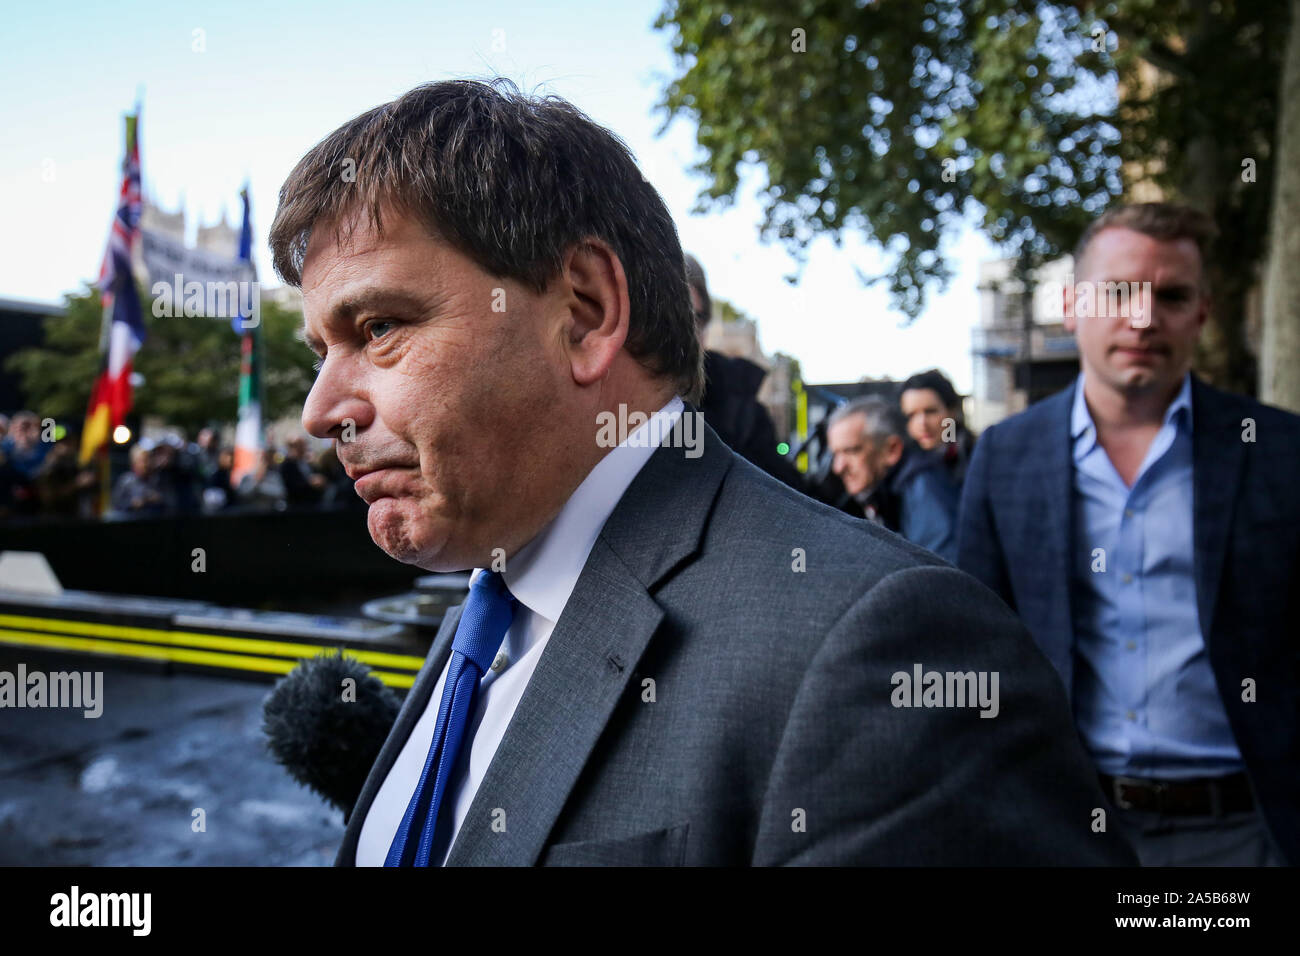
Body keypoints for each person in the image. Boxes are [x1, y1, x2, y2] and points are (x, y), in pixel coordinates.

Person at [271, 78, 1133, 867]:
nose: (321, 409)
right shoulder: (489, 613)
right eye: (322, 352)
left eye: (379, 327)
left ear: (585, 311)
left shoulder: (876, 648)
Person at [957, 201, 1299, 866]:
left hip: (1249, 832)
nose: (1142, 318)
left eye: (1171, 295)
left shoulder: (1280, 452)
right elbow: (977, 648)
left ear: (1202, 311)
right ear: (1071, 304)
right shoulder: (1005, 457)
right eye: (1118, 292)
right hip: (1070, 829)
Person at [684, 254, 804, 490]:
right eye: (662, 315)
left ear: (705, 327)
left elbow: (787, 495)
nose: (676, 331)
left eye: (691, 317)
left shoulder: (742, 414)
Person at [826, 396, 959, 563]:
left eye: (852, 451)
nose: (838, 467)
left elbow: (942, 575)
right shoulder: (882, 492)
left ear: (892, 450)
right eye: (835, 454)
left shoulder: (923, 489)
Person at [899, 368, 976, 488]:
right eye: (911, 415)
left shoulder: (976, 456)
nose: (922, 423)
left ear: (952, 411)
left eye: (930, 412)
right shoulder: (899, 466)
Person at [111, 444, 166, 516]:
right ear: (134, 462)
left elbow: (169, 501)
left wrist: (157, 499)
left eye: (147, 460)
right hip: (129, 518)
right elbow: (116, 503)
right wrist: (132, 503)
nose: (145, 464)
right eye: (141, 460)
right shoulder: (126, 480)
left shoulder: (157, 479)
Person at [280, 435, 327, 506]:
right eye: (301, 445)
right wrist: (310, 483)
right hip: (297, 506)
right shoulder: (287, 465)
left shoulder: (306, 462)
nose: (305, 448)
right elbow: (291, 486)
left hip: (312, 503)